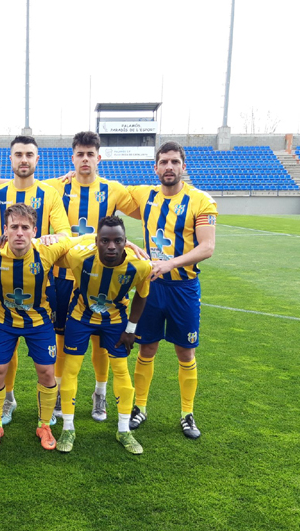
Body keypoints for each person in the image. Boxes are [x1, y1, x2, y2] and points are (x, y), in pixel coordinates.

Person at [43, 132, 137, 423]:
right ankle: (59, 391)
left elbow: (147, 205)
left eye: (90, 154)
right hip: (62, 275)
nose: (85, 159)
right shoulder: (55, 187)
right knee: (61, 339)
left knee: (101, 341)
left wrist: (129, 242)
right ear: (72, 158)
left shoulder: (113, 189)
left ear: (99, 157)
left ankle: (100, 393)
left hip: (101, 279)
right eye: (80, 154)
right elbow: (14, 186)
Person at [125, 141, 217, 439]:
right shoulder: (144, 195)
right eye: (164, 162)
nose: (169, 167)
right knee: (146, 346)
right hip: (152, 286)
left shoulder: (201, 201)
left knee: (185, 350)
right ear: (156, 167)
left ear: (183, 167)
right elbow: (108, 192)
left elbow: (207, 247)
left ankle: (187, 413)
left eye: (174, 162)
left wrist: (169, 264)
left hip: (184, 288)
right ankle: (139, 407)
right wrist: (68, 178)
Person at [0, 204, 77, 451]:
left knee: (47, 373)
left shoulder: (47, 250)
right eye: (14, 227)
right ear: (5, 230)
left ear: (34, 230)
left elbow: (80, 239)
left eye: (25, 227)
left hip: (39, 323)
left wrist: (127, 244)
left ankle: (44, 424)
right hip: (3, 322)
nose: (19, 232)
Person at [0, 136, 71, 423]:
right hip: (3, 274)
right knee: (2, 351)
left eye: (29, 154)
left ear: (37, 159)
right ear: (10, 159)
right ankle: (6, 399)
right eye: (18, 154)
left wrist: (52, 237)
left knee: (43, 349)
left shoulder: (50, 194)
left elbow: (65, 233)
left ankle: (46, 411)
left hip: (40, 275)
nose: (23, 159)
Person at [54, 216, 151, 454]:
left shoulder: (140, 266)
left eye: (118, 241)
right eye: (104, 240)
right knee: (71, 369)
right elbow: (58, 249)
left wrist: (131, 329)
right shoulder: (79, 257)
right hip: (80, 317)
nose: (111, 246)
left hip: (115, 321)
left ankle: (123, 430)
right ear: (96, 241)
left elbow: (142, 295)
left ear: (126, 242)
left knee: (121, 371)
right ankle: (68, 427)